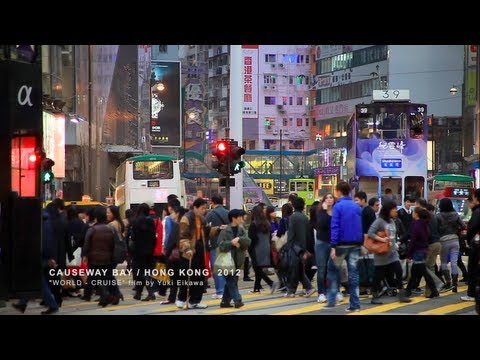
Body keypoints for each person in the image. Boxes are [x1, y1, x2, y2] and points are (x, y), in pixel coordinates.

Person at [12, 203, 63, 315]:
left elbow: (46, 242)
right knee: (36, 279)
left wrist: (49, 257)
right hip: (39, 255)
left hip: (40, 256)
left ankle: (52, 305)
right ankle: (23, 303)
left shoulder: (43, 222)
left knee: (37, 280)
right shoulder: (42, 221)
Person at [326, 181, 363, 312]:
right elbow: (360, 226)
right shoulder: (356, 206)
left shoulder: (338, 207)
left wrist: (333, 245)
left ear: (338, 191)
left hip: (341, 245)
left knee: (332, 270)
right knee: (354, 274)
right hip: (355, 244)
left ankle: (331, 300)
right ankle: (355, 304)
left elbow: (335, 227)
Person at [367, 200, 411, 304]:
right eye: (394, 209)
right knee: (378, 276)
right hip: (382, 254)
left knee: (399, 271)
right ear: (388, 210)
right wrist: (382, 240)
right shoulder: (379, 221)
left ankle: (401, 295)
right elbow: (370, 233)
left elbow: (393, 236)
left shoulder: (392, 221)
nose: (396, 211)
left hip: (392, 253)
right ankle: (374, 296)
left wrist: (395, 244)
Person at [177, 198, 218, 309]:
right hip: (189, 251)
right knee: (187, 276)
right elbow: (182, 236)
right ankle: (182, 299)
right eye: (202, 208)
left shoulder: (202, 219)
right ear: (195, 207)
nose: (204, 210)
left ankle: (195, 300)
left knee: (199, 276)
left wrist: (218, 229)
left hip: (200, 249)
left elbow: (208, 231)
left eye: (205, 208)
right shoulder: (186, 218)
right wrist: (187, 249)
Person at [82, 207, 122, 307]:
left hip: (94, 259)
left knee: (96, 278)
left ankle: (106, 296)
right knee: (108, 277)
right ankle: (114, 295)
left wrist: (84, 255)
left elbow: (86, 244)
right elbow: (115, 243)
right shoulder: (111, 228)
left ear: (96, 218)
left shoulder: (92, 229)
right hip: (108, 258)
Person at [216, 209, 251, 308]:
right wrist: (231, 243)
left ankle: (225, 302)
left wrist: (240, 239)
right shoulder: (225, 231)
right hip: (227, 261)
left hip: (238, 260)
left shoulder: (241, 229)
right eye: (239, 217)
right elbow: (220, 245)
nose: (241, 218)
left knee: (232, 281)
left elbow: (248, 241)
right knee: (231, 280)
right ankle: (237, 300)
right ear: (234, 218)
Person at [283, 197, 316, 298]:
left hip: (294, 247)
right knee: (298, 269)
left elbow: (291, 234)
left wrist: (288, 246)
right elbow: (308, 235)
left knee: (293, 269)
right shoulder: (305, 217)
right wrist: (307, 249)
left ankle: (291, 291)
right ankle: (308, 288)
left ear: (293, 206)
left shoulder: (293, 217)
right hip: (303, 247)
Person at [405, 207, 439, 298]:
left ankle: (434, 289)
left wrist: (409, 254)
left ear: (416, 214)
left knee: (423, 272)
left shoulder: (416, 224)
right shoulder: (425, 224)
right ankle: (408, 290)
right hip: (423, 250)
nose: (412, 213)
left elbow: (413, 240)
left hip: (418, 251)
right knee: (415, 271)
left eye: (413, 212)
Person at [436, 198, 465, 293]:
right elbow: (463, 225)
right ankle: (455, 285)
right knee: (454, 262)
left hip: (443, 240)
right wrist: (457, 229)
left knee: (443, 262)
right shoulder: (455, 215)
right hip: (455, 239)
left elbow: (435, 228)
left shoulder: (438, 216)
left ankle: (448, 282)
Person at [130, 203, 157, 301]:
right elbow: (154, 236)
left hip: (138, 250)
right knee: (146, 271)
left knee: (139, 272)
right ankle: (139, 293)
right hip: (149, 250)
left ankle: (149, 292)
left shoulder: (135, 221)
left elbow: (133, 237)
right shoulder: (151, 221)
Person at [315, 193, 338, 303]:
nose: (329, 199)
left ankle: (334, 291)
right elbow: (321, 224)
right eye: (327, 198)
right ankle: (321, 293)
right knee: (322, 268)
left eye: (331, 197)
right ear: (324, 200)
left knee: (333, 269)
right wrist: (324, 211)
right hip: (321, 243)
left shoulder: (337, 212)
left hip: (333, 243)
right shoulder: (320, 212)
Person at [205, 194, 229, 299]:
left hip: (215, 244)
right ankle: (226, 290)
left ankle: (220, 291)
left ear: (212, 202)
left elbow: (205, 228)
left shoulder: (211, 214)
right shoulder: (228, 213)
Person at [248, 205, 276, 293]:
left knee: (257, 268)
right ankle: (257, 287)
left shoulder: (253, 224)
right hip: (266, 248)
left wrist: (249, 249)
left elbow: (251, 239)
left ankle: (270, 282)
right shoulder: (267, 223)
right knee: (259, 268)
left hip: (256, 248)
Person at [462, 188, 480, 302]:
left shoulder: (477, 212)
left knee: (473, 269)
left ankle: (472, 293)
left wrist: (469, 241)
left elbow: (472, 229)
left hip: (476, 246)